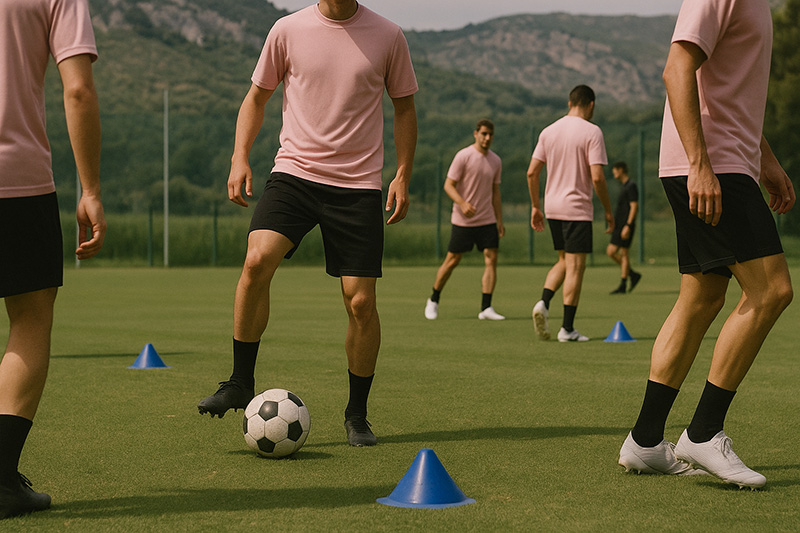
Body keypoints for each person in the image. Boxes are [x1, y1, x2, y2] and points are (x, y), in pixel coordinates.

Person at [197, 0, 418, 448]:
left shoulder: (389, 35)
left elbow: (405, 109)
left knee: (360, 303)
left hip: (357, 186)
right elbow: (256, 98)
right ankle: (240, 380)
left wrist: (402, 174)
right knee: (256, 261)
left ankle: (357, 414)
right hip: (295, 175)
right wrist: (240, 156)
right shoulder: (286, 30)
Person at [618, 0, 794, 489]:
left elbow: (730, 97)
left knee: (700, 300)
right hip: (711, 166)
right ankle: (703, 431)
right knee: (771, 291)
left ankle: (645, 441)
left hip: (726, 160)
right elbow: (677, 70)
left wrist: (767, 160)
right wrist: (700, 164)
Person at [0, 0, 106, 519]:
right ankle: (0, 479)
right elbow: (78, 88)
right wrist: (91, 188)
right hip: (17, 181)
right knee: (31, 315)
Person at [527, 85, 614, 342]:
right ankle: (567, 329)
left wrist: (535, 206)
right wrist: (608, 210)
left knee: (564, 261)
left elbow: (532, 172)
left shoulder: (548, 131)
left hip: (553, 208)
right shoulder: (592, 132)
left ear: (569, 103)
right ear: (591, 105)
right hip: (577, 209)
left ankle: (543, 302)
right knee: (576, 268)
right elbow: (597, 177)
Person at [424, 119, 505, 321]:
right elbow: (449, 185)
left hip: (487, 219)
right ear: (475, 133)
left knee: (491, 258)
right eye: (484, 134)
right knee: (453, 260)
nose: (487, 138)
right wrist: (462, 203)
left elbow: (495, 192)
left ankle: (486, 307)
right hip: (463, 220)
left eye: (490, 135)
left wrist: (499, 220)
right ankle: (433, 300)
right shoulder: (464, 156)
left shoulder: (496, 161)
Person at [606, 161, 642, 294]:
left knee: (622, 253)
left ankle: (623, 284)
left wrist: (628, 225)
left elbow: (634, 206)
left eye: (615, 169)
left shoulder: (631, 186)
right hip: (620, 226)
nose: (613, 172)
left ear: (621, 170)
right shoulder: (625, 186)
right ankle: (632, 274)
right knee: (611, 251)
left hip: (626, 226)